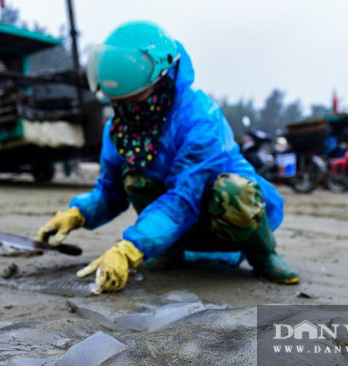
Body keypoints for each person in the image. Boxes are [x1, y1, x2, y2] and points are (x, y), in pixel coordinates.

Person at [36, 21, 299, 293]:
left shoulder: (200, 118)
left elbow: (184, 198)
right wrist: (77, 213)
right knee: (135, 177)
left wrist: (132, 248)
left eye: (135, 98)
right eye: (119, 101)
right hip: (169, 224)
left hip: (220, 217)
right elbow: (111, 190)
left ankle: (262, 254)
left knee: (234, 191)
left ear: (164, 78)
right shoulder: (119, 130)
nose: (126, 109)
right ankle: (167, 250)